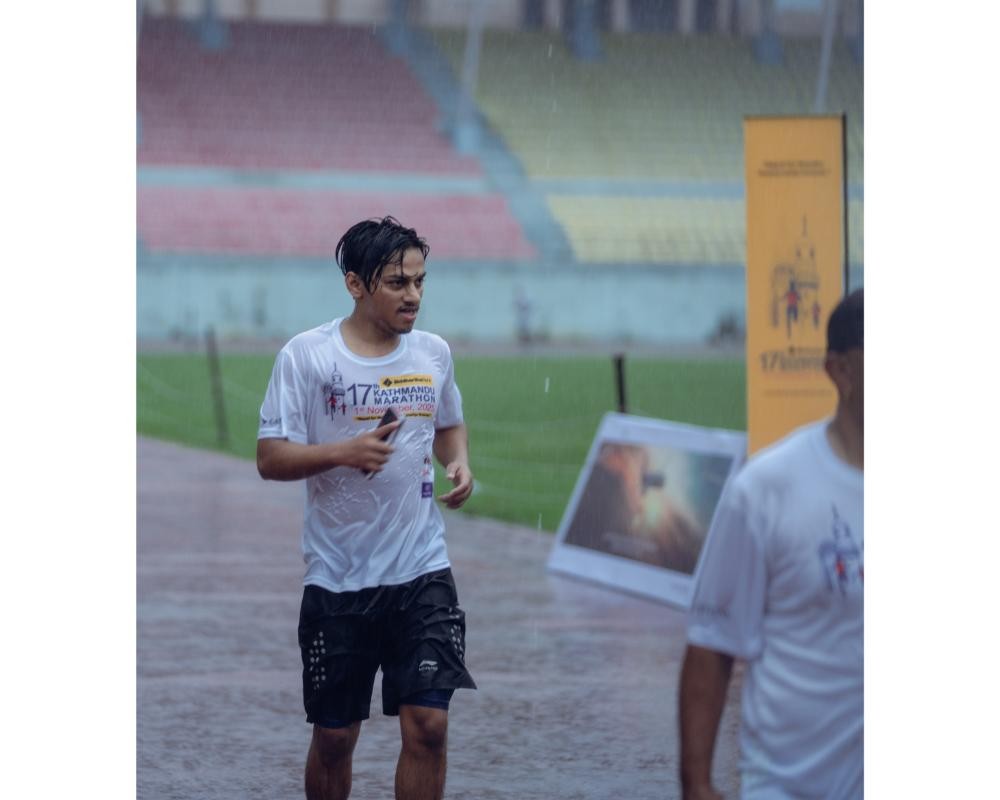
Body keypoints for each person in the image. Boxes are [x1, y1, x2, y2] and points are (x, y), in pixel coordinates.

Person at [256, 216, 477, 800]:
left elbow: (448, 424)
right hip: (338, 578)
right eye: (397, 283)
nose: (413, 296)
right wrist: (342, 452)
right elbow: (269, 457)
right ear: (355, 284)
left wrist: (458, 462)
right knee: (335, 737)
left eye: (420, 282)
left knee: (429, 725)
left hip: (422, 571)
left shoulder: (433, 353)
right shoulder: (307, 356)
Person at [679, 288, 864, 799]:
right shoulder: (766, 490)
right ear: (840, 372)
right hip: (788, 786)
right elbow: (712, 642)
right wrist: (696, 784)